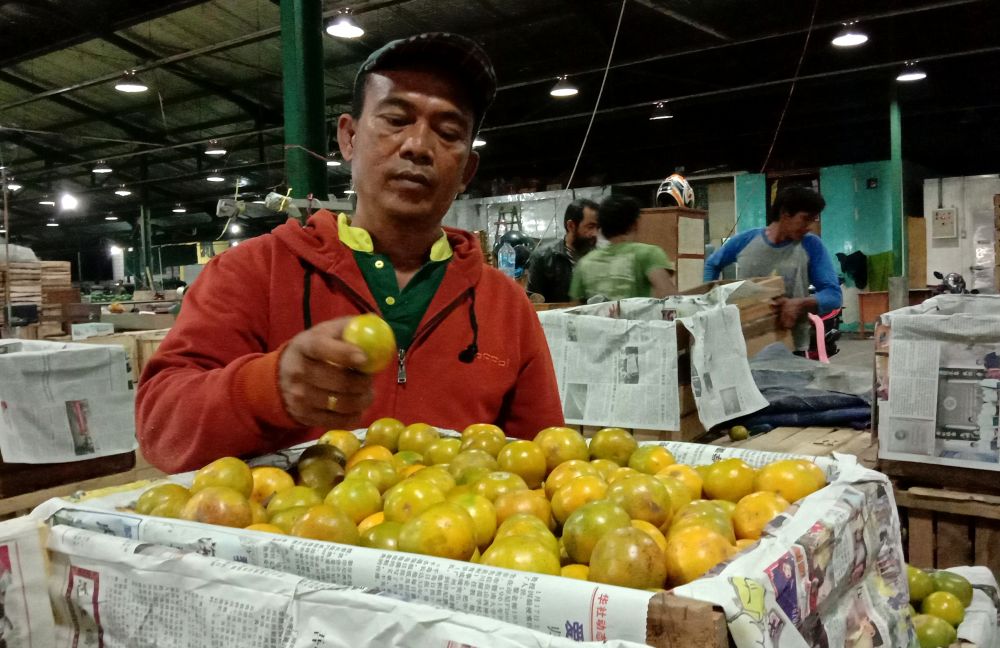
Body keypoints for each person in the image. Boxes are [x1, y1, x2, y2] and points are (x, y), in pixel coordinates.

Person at [136, 33, 564, 473]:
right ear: (348, 138)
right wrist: (267, 388)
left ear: (466, 172)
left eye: (448, 132)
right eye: (396, 119)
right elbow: (161, 425)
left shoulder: (505, 308)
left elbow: (545, 465)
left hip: (450, 541)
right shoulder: (253, 273)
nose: (417, 145)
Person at [703, 186, 842, 352]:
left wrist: (799, 304)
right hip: (746, 344)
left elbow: (833, 295)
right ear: (785, 213)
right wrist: (711, 304)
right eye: (805, 219)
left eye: (813, 220)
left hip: (792, 347)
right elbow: (712, 264)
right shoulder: (747, 241)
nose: (809, 226)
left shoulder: (811, 245)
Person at [569, 195, 676, 301]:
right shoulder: (648, 254)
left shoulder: (584, 264)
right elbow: (670, 300)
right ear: (635, 224)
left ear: (602, 228)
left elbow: (573, 311)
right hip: (637, 318)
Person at [527, 198, 599, 302]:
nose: (595, 233)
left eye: (597, 227)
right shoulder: (543, 257)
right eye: (590, 227)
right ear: (571, 226)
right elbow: (535, 303)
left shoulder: (599, 257)